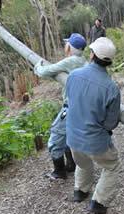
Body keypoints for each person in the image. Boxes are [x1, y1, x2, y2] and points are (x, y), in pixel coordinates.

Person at [65, 37, 120, 214]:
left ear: (91, 55)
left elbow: (69, 102)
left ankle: (80, 191)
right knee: (112, 166)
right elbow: (111, 122)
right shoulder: (111, 88)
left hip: (72, 138)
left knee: (83, 161)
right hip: (95, 142)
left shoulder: (73, 76)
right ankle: (98, 203)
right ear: (109, 62)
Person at [34, 33, 87, 180]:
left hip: (71, 107)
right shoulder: (84, 61)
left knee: (56, 136)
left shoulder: (71, 61)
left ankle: (59, 171)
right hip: (82, 108)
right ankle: (71, 165)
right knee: (69, 135)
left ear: (70, 46)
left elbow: (45, 72)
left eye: (67, 44)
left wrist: (38, 65)